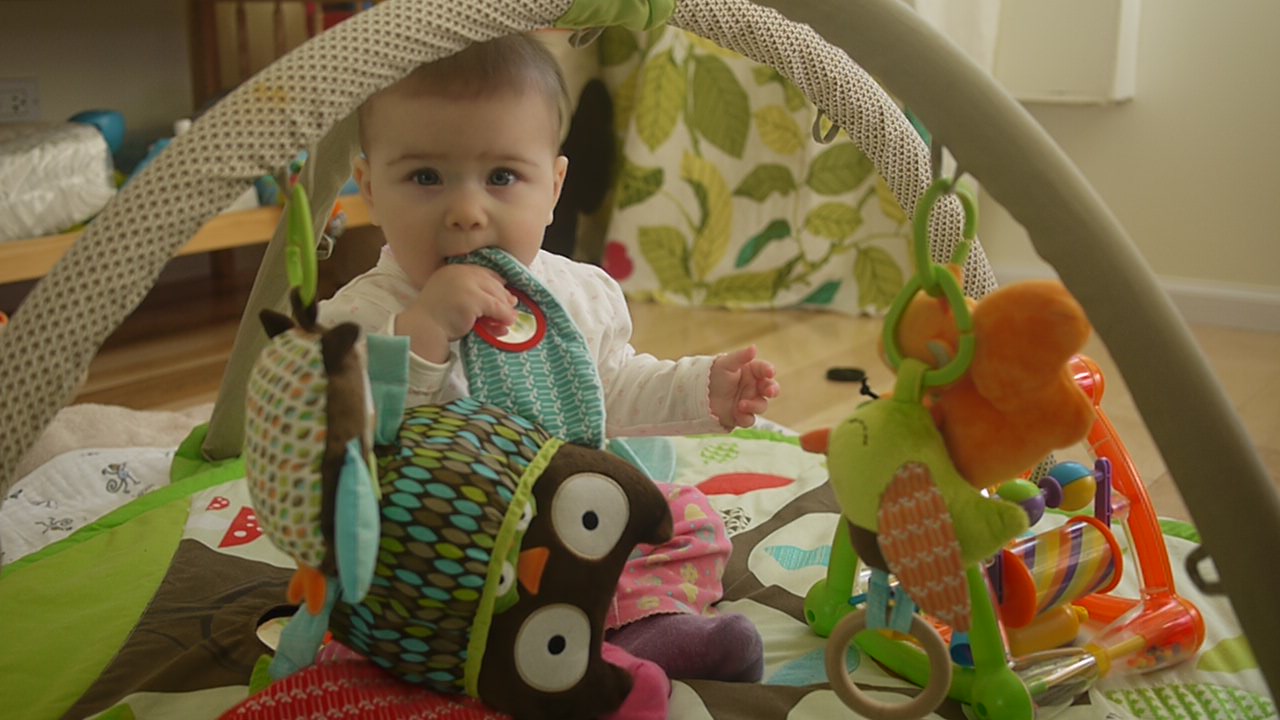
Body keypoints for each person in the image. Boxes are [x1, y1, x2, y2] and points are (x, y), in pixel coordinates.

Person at [318, 33, 778, 684]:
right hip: (449, 546)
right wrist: (422, 333)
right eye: (425, 177)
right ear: (370, 187)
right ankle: (523, 659)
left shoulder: (574, 294)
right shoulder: (359, 319)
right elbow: (352, 439)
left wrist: (703, 389)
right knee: (366, 575)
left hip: (576, 525)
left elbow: (610, 387)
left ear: (554, 186)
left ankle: (641, 631)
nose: (466, 212)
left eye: (502, 177)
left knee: (686, 517)